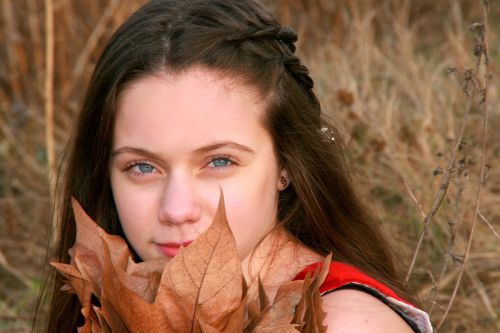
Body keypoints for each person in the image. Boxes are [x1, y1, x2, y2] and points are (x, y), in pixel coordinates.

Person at [33, 0, 432, 332]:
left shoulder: (343, 323)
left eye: (219, 161)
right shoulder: (107, 301)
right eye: (142, 167)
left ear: (285, 166)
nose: (176, 210)